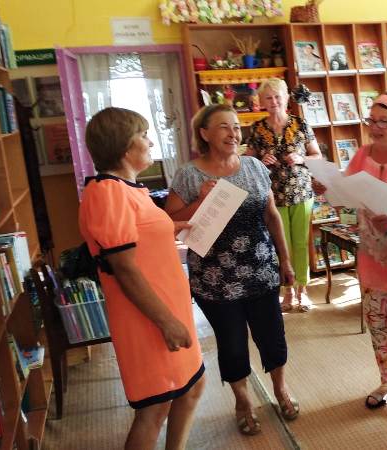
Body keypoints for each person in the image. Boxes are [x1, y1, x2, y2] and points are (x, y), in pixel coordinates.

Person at [164, 104, 299, 436]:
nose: (233, 133)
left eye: (237, 126)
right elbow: (169, 224)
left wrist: (285, 259)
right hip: (215, 281)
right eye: (224, 126)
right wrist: (200, 200)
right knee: (232, 344)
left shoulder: (254, 167)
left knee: (273, 337)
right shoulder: (189, 174)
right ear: (205, 134)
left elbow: (271, 215)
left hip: (261, 272)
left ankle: (281, 388)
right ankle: (243, 401)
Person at [78, 107, 205, 449]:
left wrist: (170, 228)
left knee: (192, 387)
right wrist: (166, 322)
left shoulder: (128, 189)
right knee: (155, 407)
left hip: (168, 308)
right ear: (124, 146)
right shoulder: (107, 192)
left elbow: (139, 235)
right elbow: (124, 268)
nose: (150, 142)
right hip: (148, 317)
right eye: (143, 135)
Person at [321, 92, 387, 414]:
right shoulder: (361, 155)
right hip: (371, 254)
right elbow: (346, 198)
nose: (376, 127)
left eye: (384, 121)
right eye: (372, 120)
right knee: (378, 324)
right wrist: (327, 189)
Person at [245, 78, 323, 312]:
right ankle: (287, 290)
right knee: (282, 244)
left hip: (301, 192)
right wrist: (260, 160)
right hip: (272, 195)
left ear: (286, 98)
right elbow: (247, 163)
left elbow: (317, 156)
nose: (274, 101)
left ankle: (302, 290)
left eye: (278, 96)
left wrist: (301, 158)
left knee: (300, 243)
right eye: (268, 98)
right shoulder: (257, 129)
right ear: (262, 101)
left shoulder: (301, 124)